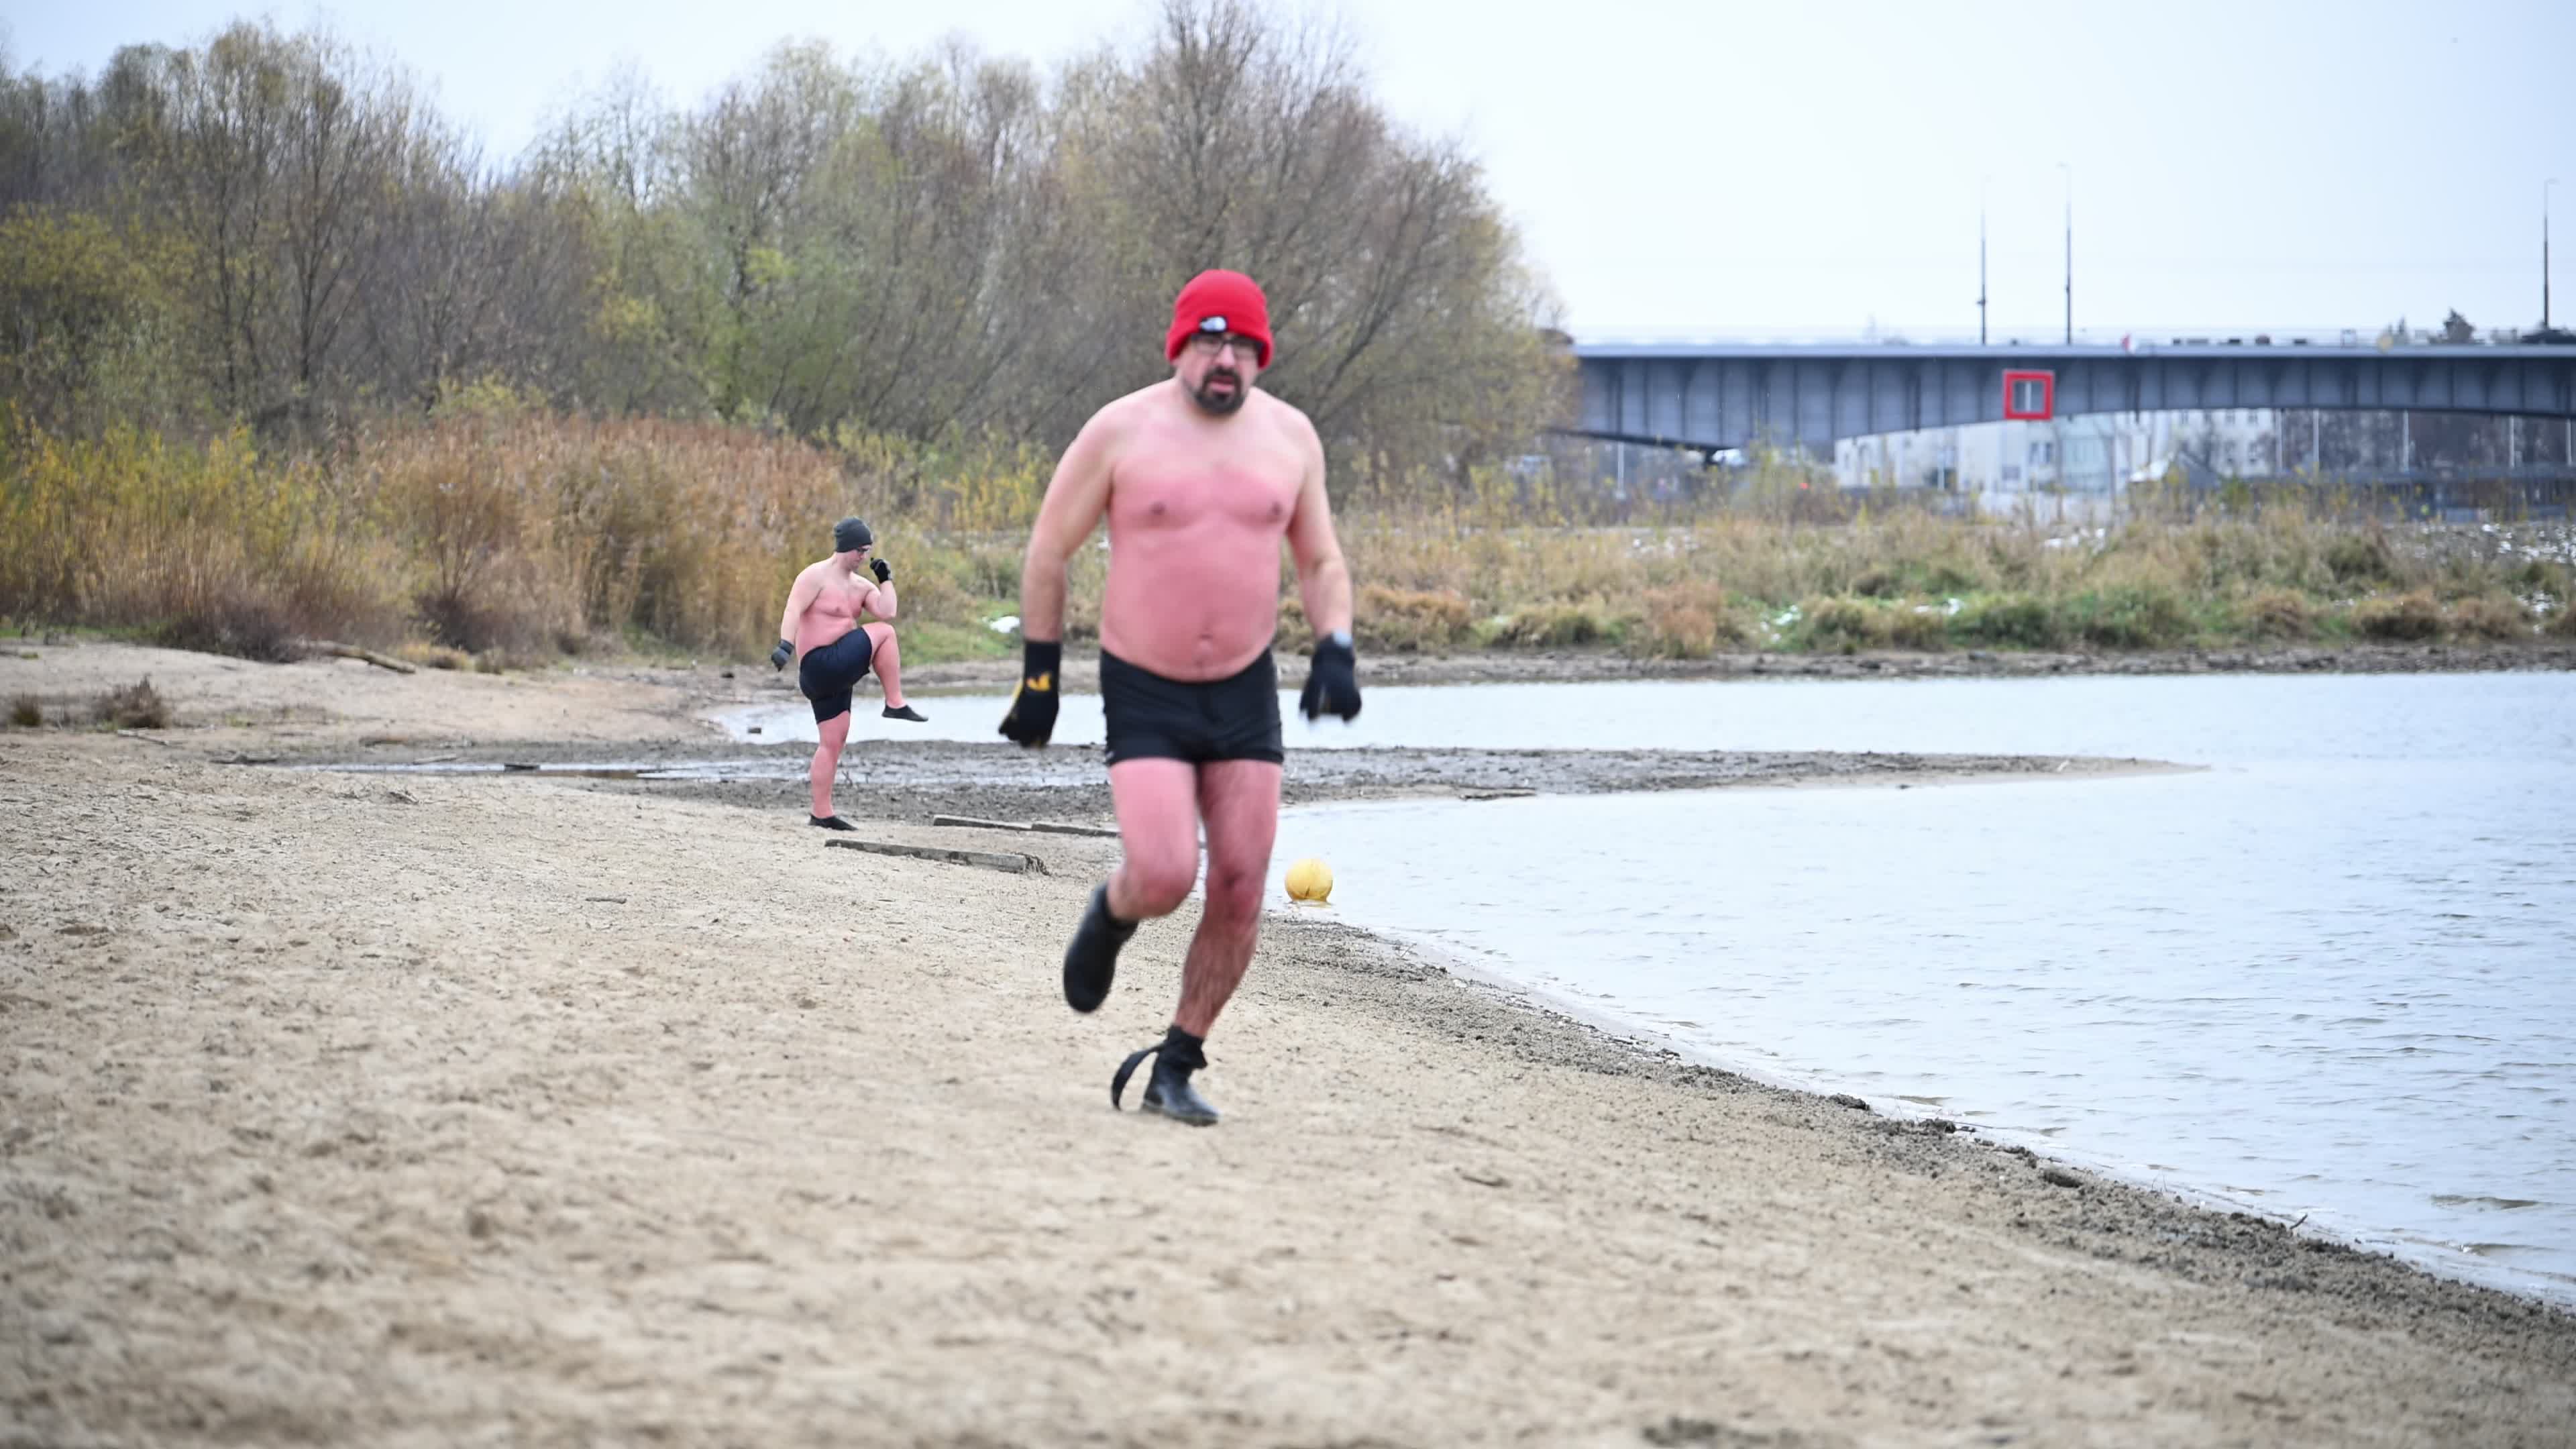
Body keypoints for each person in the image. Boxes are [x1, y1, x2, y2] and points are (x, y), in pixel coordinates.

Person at [999, 269, 1362, 1126]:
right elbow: (1050, 549)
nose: (1225, 358)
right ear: (1179, 347)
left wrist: (1336, 648)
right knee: (1166, 874)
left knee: (1239, 885)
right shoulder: (1121, 430)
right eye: (1208, 341)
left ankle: (1176, 1061)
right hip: (1145, 684)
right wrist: (1041, 679)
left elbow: (1319, 561)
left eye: (1241, 344)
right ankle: (1112, 908)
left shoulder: (1291, 437)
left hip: (1244, 686)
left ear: (1260, 353)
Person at [771, 517, 927, 829]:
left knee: (833, 741)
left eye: (868, 551)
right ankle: (894, 702)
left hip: (838, 669)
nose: (864, 557)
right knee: (884, 634)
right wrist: (785, 646)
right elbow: (793, 609)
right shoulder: (815, 576)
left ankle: (821, 813)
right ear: (845, 548)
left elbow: (887, 610)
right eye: (860, 551)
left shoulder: (861, 586)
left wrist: (886, 579)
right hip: (818, 664)